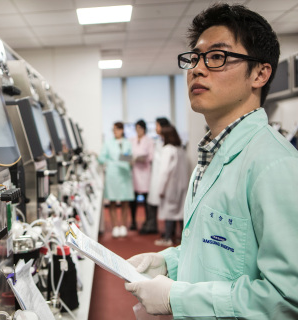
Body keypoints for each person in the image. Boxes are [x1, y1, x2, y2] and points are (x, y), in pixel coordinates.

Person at [125, 3, 298, 318]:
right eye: (194, 57)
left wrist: (178, 298)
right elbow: (220, 250)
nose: (197, 69)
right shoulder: (211, 154)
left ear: (260, 73)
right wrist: (169, 262)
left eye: (217, 57)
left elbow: (287, 299)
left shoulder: (276, 166)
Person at [98, 122, 135, 238]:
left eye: (117, 129)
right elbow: (101, 158)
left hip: (124, 174)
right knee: (112, 201)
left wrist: (126, 159)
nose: (115, 132)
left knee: (125, 201)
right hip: (113, 174)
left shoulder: (127, 143)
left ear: (122, 130)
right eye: (113, 130)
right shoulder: (108, 143)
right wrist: (104, 160)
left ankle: (123, 226)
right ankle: (115, 227)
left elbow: (129, 157)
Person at [154, 126, 188, 246]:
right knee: (180, 212)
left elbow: (164, 171)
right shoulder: (180, 149)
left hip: (170, 186)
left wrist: (160, 189)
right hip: (182, 185)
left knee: (169, 212)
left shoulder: (168, 149)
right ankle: (182, 237)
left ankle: (167, 237)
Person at [141, 117, 170, 234]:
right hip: (155, 176)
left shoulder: (169, 144)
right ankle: (152, 225)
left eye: (157, 125)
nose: (155, 128)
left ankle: (169, 231)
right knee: (152, 202)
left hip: (164, 177)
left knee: (167, 205)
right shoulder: (158, 141)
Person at [129, 120, 154, 231]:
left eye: (140, 128)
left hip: (144, 172)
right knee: (133, 199)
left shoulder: (149, 141)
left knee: (145, 200)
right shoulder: (132, 140)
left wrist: (139, 158)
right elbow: (127, 154)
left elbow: (151, 156)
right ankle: (133, 222)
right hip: (134, 172)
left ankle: (147, 222)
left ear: (144, 129)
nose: (138, 131)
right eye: (136, 128)